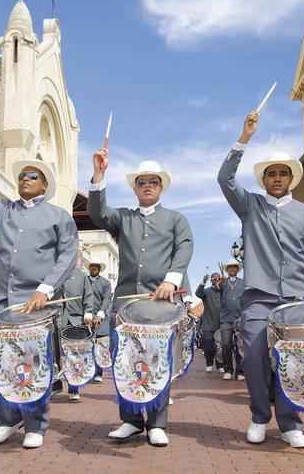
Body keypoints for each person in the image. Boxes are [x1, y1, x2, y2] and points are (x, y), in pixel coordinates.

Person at [0, 120, 78, 450]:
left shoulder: (58, 216)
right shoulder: (2, 209)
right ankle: (7, 420)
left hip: (34, 303)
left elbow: (68, 255)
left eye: (33, 176)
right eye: (23, 175)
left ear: (44, 186)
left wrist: (46, 289)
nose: (25, 179)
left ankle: (35, 424)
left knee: (32, 360)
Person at [217, 110, 304, 449]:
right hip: (258, 296)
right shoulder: (250, 206)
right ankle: (258, 416)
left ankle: (289, 422)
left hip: (297, 299)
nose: (278, 178)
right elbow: (224, 179)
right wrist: (244, 138)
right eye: (272, 174)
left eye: (283, 173)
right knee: (253, 356)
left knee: (294, 359)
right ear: (263, 180)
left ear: (291, 179)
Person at [89, 149, 193, 448]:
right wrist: (99, 174)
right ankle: (131, 421)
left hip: (160, 305)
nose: (148, 185)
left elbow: (184, 248)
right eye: (142, 181)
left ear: (161, 187)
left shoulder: (176, 219)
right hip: (124, 304)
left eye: (154, 181)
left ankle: (157, 423)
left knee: (157, 362)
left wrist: (170, 281)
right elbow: (97, 213)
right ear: (135, 188)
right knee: (125, 363)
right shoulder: (123, 217)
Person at [61, 259, 96, 400]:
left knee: (74, 355)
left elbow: (88, 296)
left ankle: (73, 388)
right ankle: (54, 384)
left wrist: (88, 313)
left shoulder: (81, 276)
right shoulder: (55, 274)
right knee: (56, 354)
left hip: (75, 321)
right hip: (59, 320)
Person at [218, 259, 245, 381]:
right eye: (230, 267)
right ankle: (228, 369)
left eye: (235, 267)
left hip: (240, 318)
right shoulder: (223, 282)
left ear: (237, 269)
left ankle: (240, 372)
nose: (232, 269)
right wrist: (220, 284)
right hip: (225, 318)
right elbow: (216, 290)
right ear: (227, 270)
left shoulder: (243, 283)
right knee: (226, 344)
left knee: (240, 346)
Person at [86, 259, 112, 382]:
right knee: (87, 346)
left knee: (100, 346)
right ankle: (87, 372)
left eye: (97, 266)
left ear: (100, 269)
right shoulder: (83, 281)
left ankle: (98, 373)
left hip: (100, 319)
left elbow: (106, 300)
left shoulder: (105, 283)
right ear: (89, 268)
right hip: (85, 318)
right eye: (92, 266)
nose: (94, 268)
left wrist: (99, 315)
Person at [195, 273, 223, 373]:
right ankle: (210, 363)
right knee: (208, 344)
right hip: (208, 324)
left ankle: (220, 365)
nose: (217, 280)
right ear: (211, 280)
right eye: (215, 279)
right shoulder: (207, 292)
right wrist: (203, 281)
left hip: (221, 324)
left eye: (219, 279)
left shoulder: (224, 291)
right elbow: (198, 293)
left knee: (221, 346)